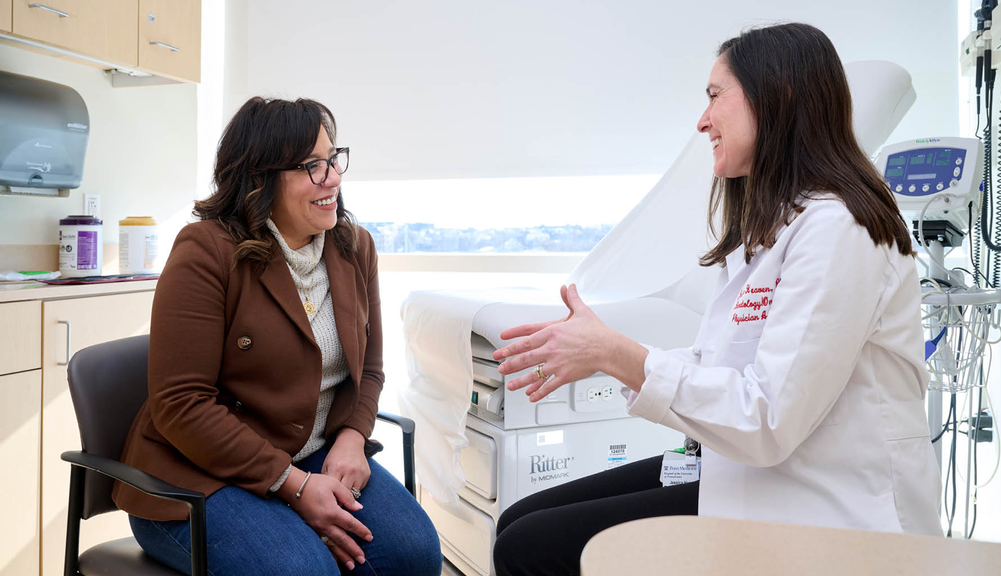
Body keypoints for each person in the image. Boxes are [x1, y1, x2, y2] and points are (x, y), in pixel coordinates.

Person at [490, 22, 942, 576]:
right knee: (516, 520)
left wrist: (616, 356)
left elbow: (768, 417)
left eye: (713, 96)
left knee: (529, 546)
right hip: (754, 474)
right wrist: (604, 355)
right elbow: (720, 366)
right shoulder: (774, 226)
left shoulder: (838, 229)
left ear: (775, 97)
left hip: (827, 503)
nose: (702, 121)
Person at [113, 97, 442, 576]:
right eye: (312, 166)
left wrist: (352, 438)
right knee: (303, 571)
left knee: (414, 554)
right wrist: (293, 486)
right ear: (259, 177)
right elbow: (182, 404)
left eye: (333, 159)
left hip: (315, 454)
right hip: (198, 476)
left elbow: (368, 369)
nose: (333, 177)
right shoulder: (207, 251)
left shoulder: (355, 247)